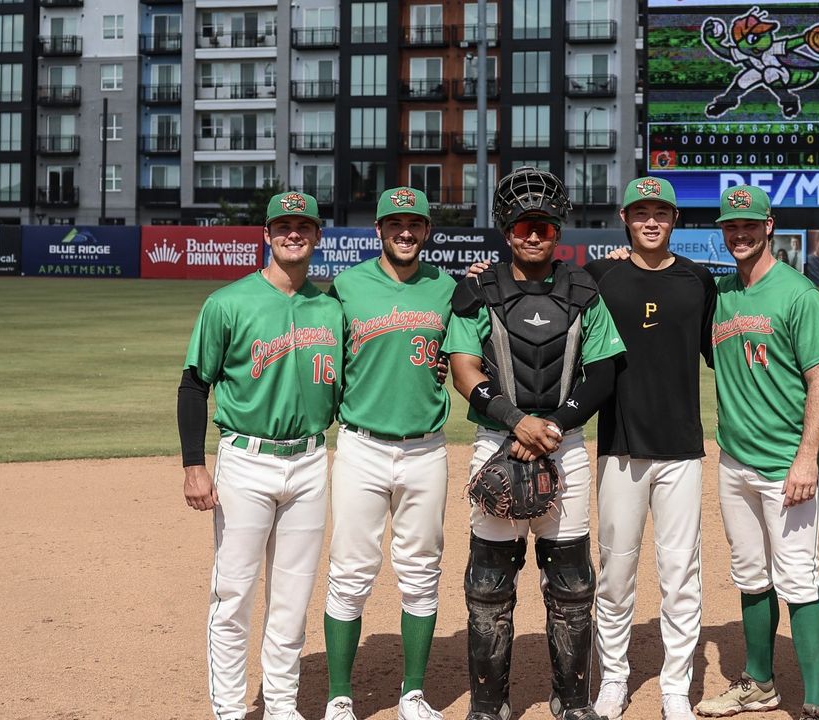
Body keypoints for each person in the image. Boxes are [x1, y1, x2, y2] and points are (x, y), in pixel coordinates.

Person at [443, 166, 625, 720]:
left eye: (543, 226)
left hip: (563, 442)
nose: (533, 235)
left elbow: (603, 373)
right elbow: (464, 369)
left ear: (557, 231)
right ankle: (488, 705)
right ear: (507, 231)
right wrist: (516, 420)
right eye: (523, 226)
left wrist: (552, 427)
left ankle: (572, 702)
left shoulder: (584, 291)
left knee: (571, 582)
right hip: (497, 440)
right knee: (489, 581)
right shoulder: (479, 291)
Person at [178, 191, 342, 720]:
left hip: (311, 462)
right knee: (233, 594)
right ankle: (229, 709)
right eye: (283, 226)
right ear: (266, 236)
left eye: (304, 226)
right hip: (246, 461)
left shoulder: (331, 308)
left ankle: (281, 706)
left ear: (317, 235)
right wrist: (194, 464)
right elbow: (193, 385)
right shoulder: (228, 303)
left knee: (292, 598)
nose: (294, 234)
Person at [695, 185, 819, 720]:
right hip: (735, 461)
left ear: (768, 226)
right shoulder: (720, 295)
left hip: (787, 464)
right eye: (731, 226)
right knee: (751, 575)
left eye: (749, 225)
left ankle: (816, 699)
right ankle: (759, 683)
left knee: (798, 578)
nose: (739, 234)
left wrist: (807, 456)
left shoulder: (800, 295)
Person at [319, 187, 456, 720]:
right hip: (362, 446)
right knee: (350, 571)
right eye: (395, 223)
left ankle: (413, 694)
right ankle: (339, 696)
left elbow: (470, 351)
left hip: (426, 449)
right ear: (378, 230)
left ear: (427, 231)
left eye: (414, 223)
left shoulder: (447, 288)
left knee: (422, 571)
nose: (405, 232)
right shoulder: (347, 286)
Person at [585, 177, 716, 720]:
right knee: (615, 573)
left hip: (681, 448)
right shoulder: (600, 276)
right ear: (625, 218)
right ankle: (614, 679)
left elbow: (719, 352)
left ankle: (675, 687)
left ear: (675, 219)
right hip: (620, 446)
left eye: (661, 212)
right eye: (641, 212)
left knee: (680, 573)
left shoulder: (698, 280)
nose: (651, 221)